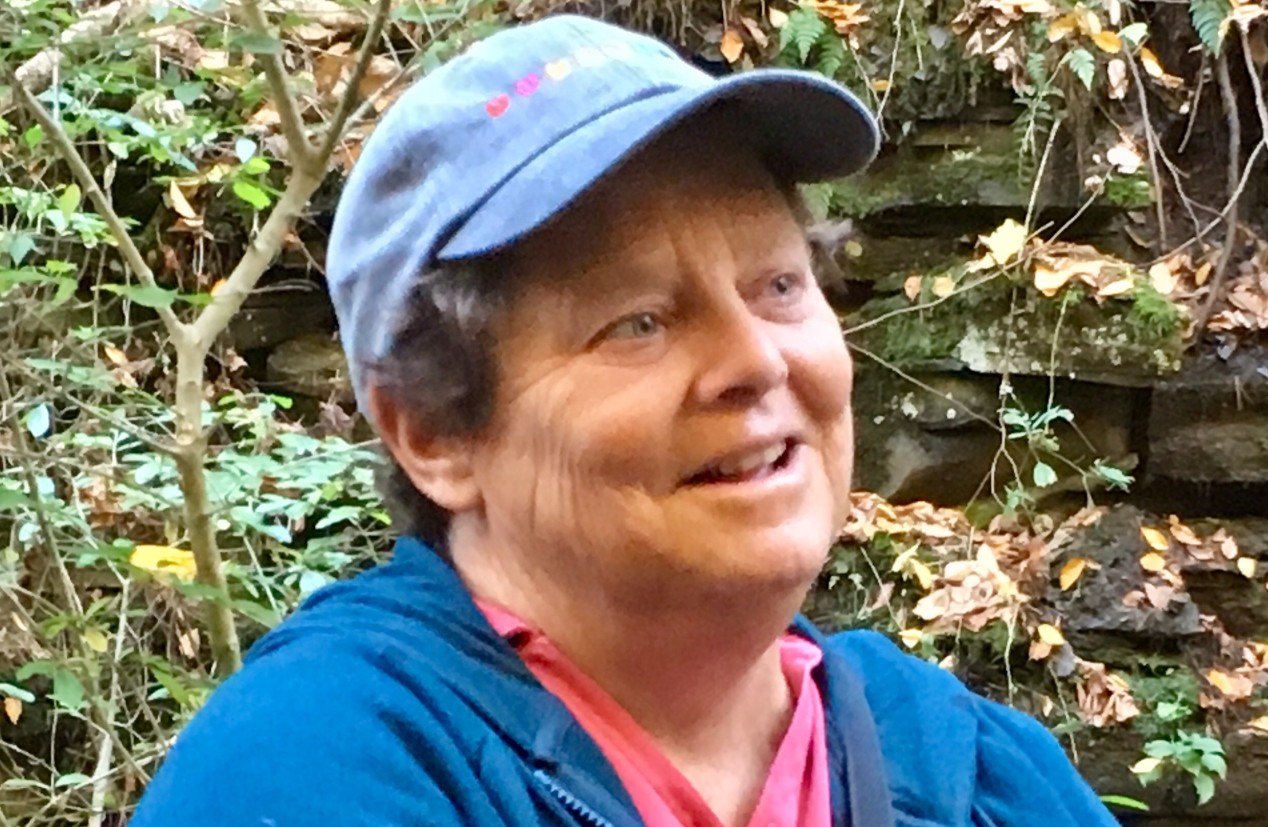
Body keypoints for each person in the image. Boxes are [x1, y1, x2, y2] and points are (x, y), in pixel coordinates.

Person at [131, 14, 1121, 827]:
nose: (755, 360)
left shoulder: (969, 771)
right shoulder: (314, 772)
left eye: (779, 284)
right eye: (638, 321)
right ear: (433, 431)